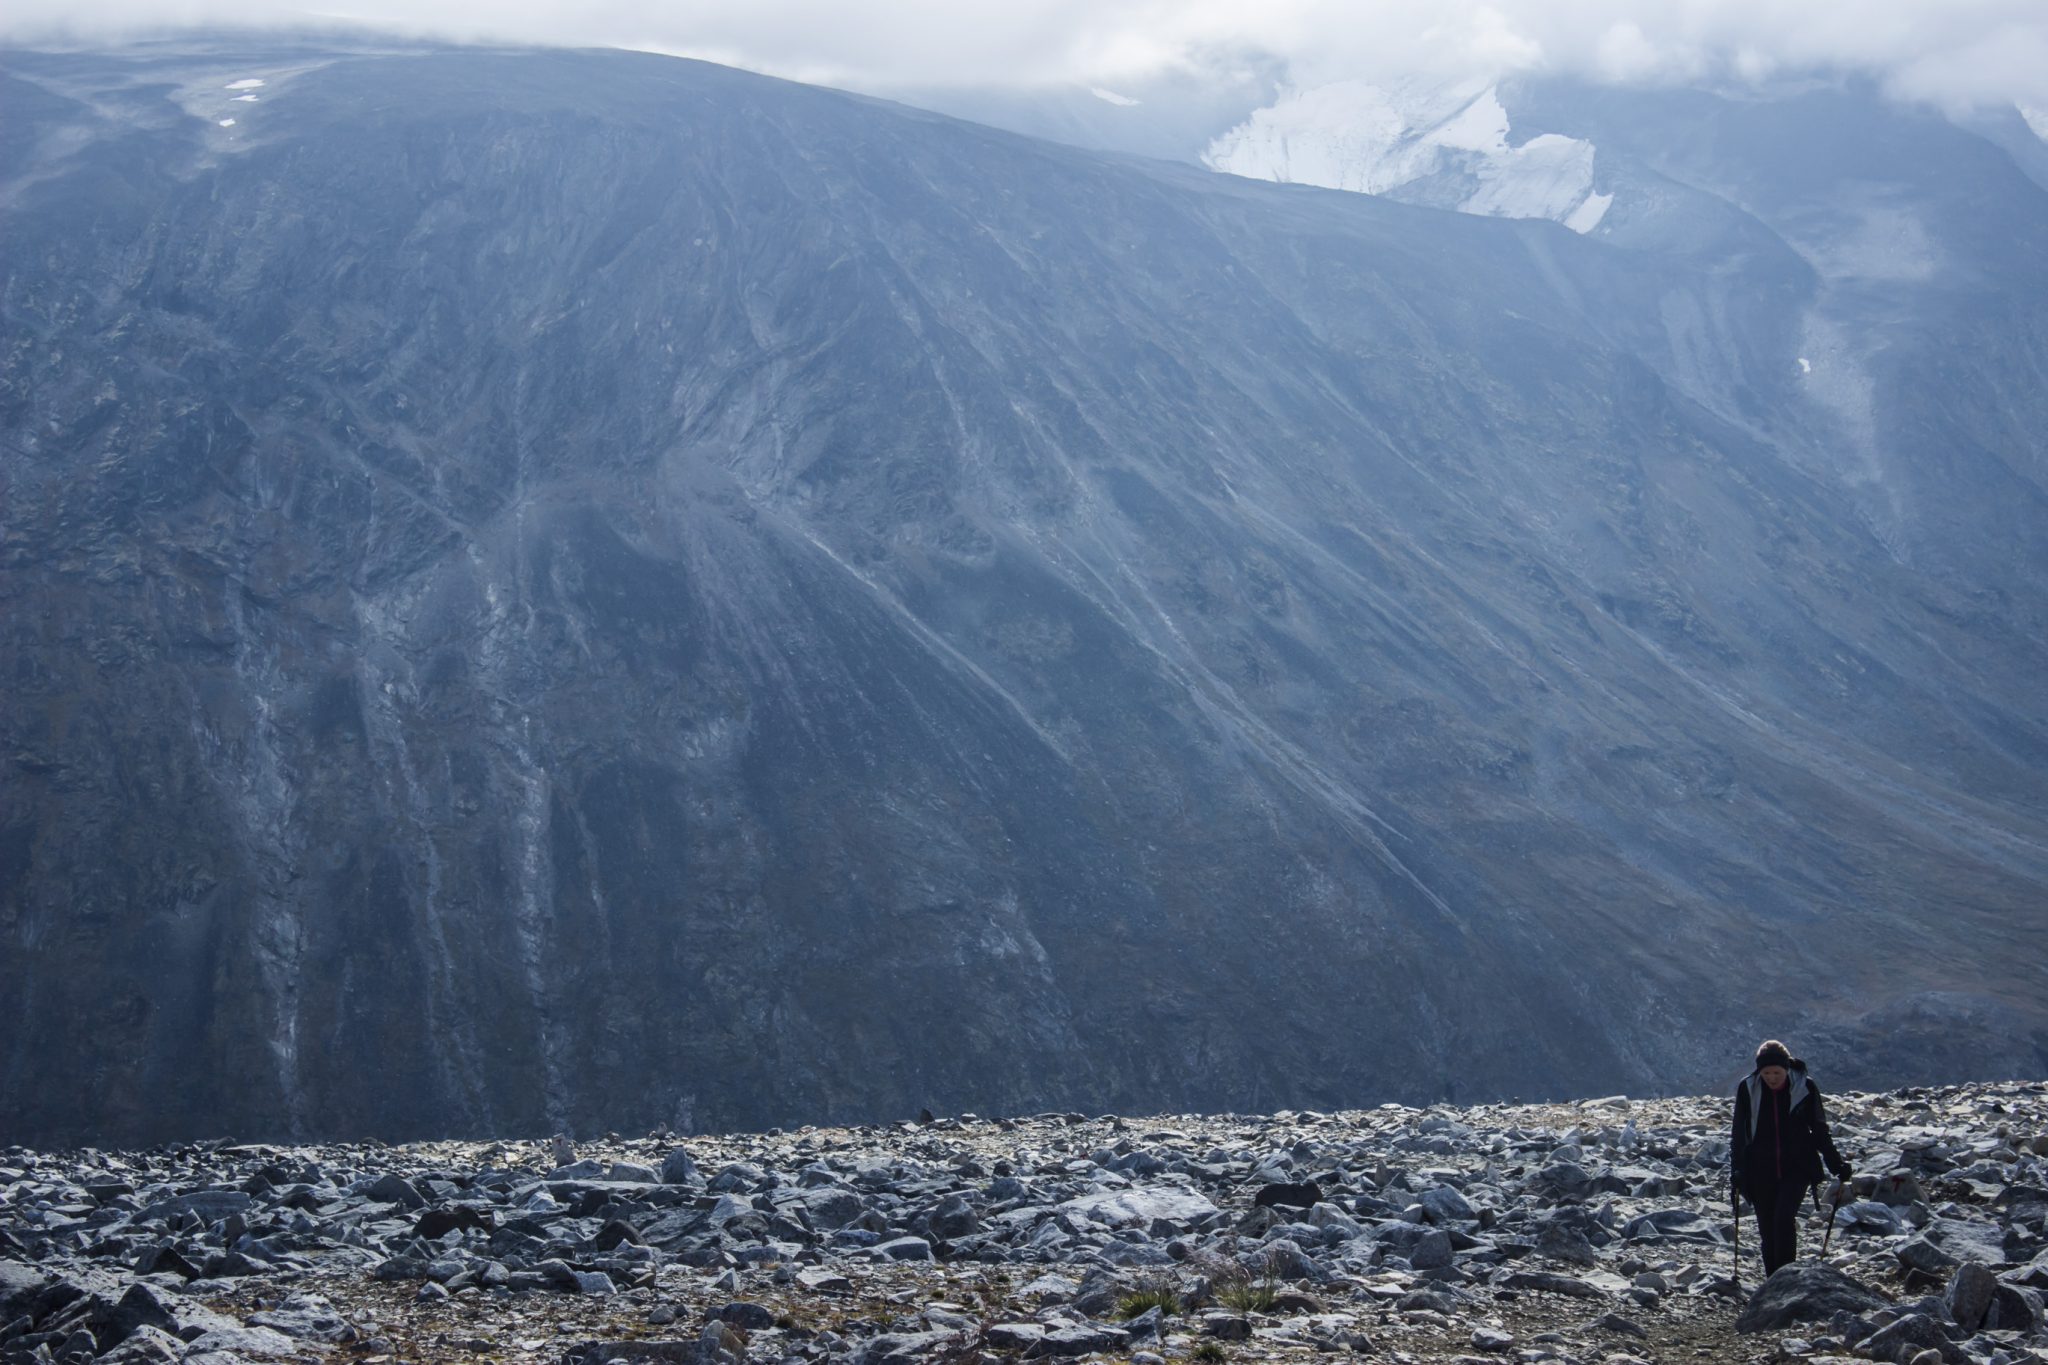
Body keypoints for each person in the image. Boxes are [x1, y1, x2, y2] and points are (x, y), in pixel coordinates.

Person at [1731, 1039, 1852, 1276]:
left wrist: (1835, 1164)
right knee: (1767, 1229)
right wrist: (1737, 1169)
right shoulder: (1748, 1088)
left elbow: (1819, 1129)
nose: (1772, 1078)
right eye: (1766, 1073)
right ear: (1759, 1071)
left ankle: (1784, 1280)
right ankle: (1772, 1282)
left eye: (1777, 1072)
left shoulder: (1805, 1087)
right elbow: (1739, 1133)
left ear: (1787, 1068)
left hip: (1797, 1167)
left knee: (1783, 1220)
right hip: (1759, 1169)